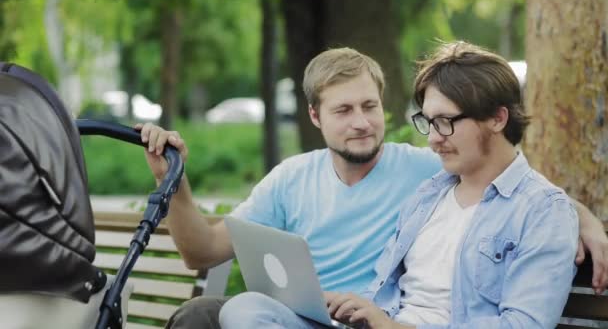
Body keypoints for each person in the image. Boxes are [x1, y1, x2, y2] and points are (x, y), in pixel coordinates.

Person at [137, 47, 608, 329]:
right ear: (315, 117)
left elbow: (514, 188)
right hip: (340, 318)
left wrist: (580, 215)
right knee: (227, 311)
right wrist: (171, 180)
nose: (362, 124)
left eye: (371, 106)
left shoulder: (427, 171)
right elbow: (202, 252)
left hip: (384, 321)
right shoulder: (434, 186)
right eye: (344, 111)